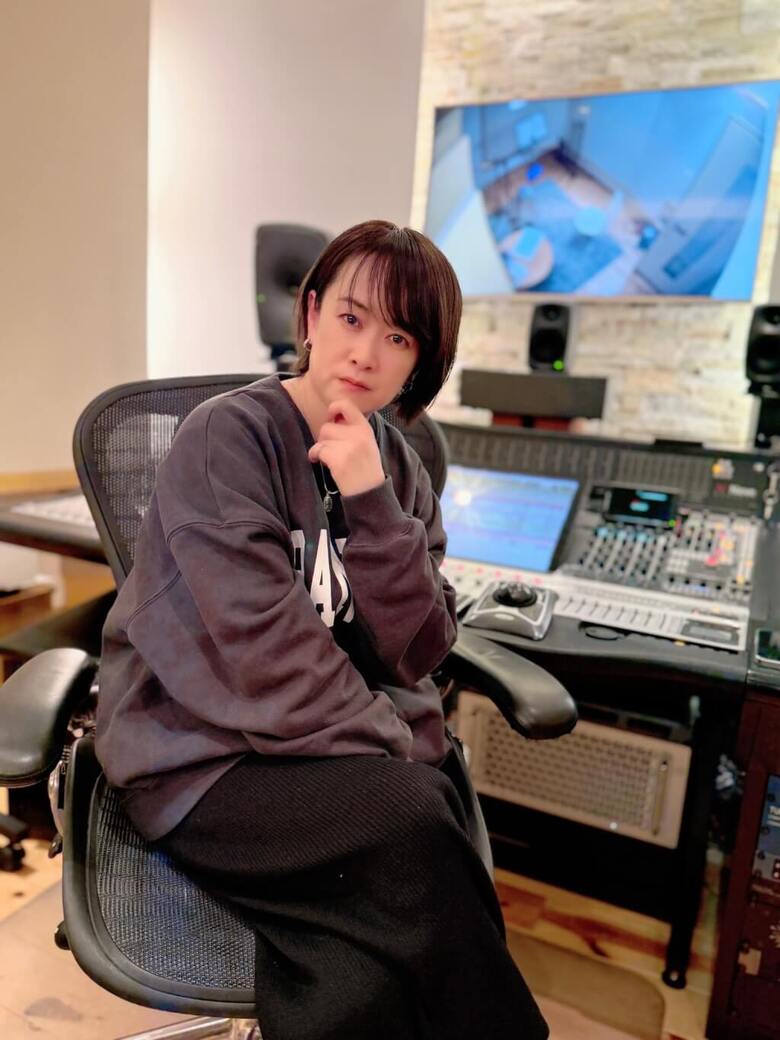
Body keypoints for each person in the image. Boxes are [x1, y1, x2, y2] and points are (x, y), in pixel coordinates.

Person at [96, 219, 549, 1040]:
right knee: (418, 815)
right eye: (350, 317)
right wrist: (396, 742)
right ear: (310, 316)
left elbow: (419, 650)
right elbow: (263, 655)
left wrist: (372, 502)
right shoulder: (229, 437)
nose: (365, 353)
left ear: (421, 362)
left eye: (398, 337)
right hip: (203, 759)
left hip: (328, 759)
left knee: (364, 970)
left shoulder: (397, 467)